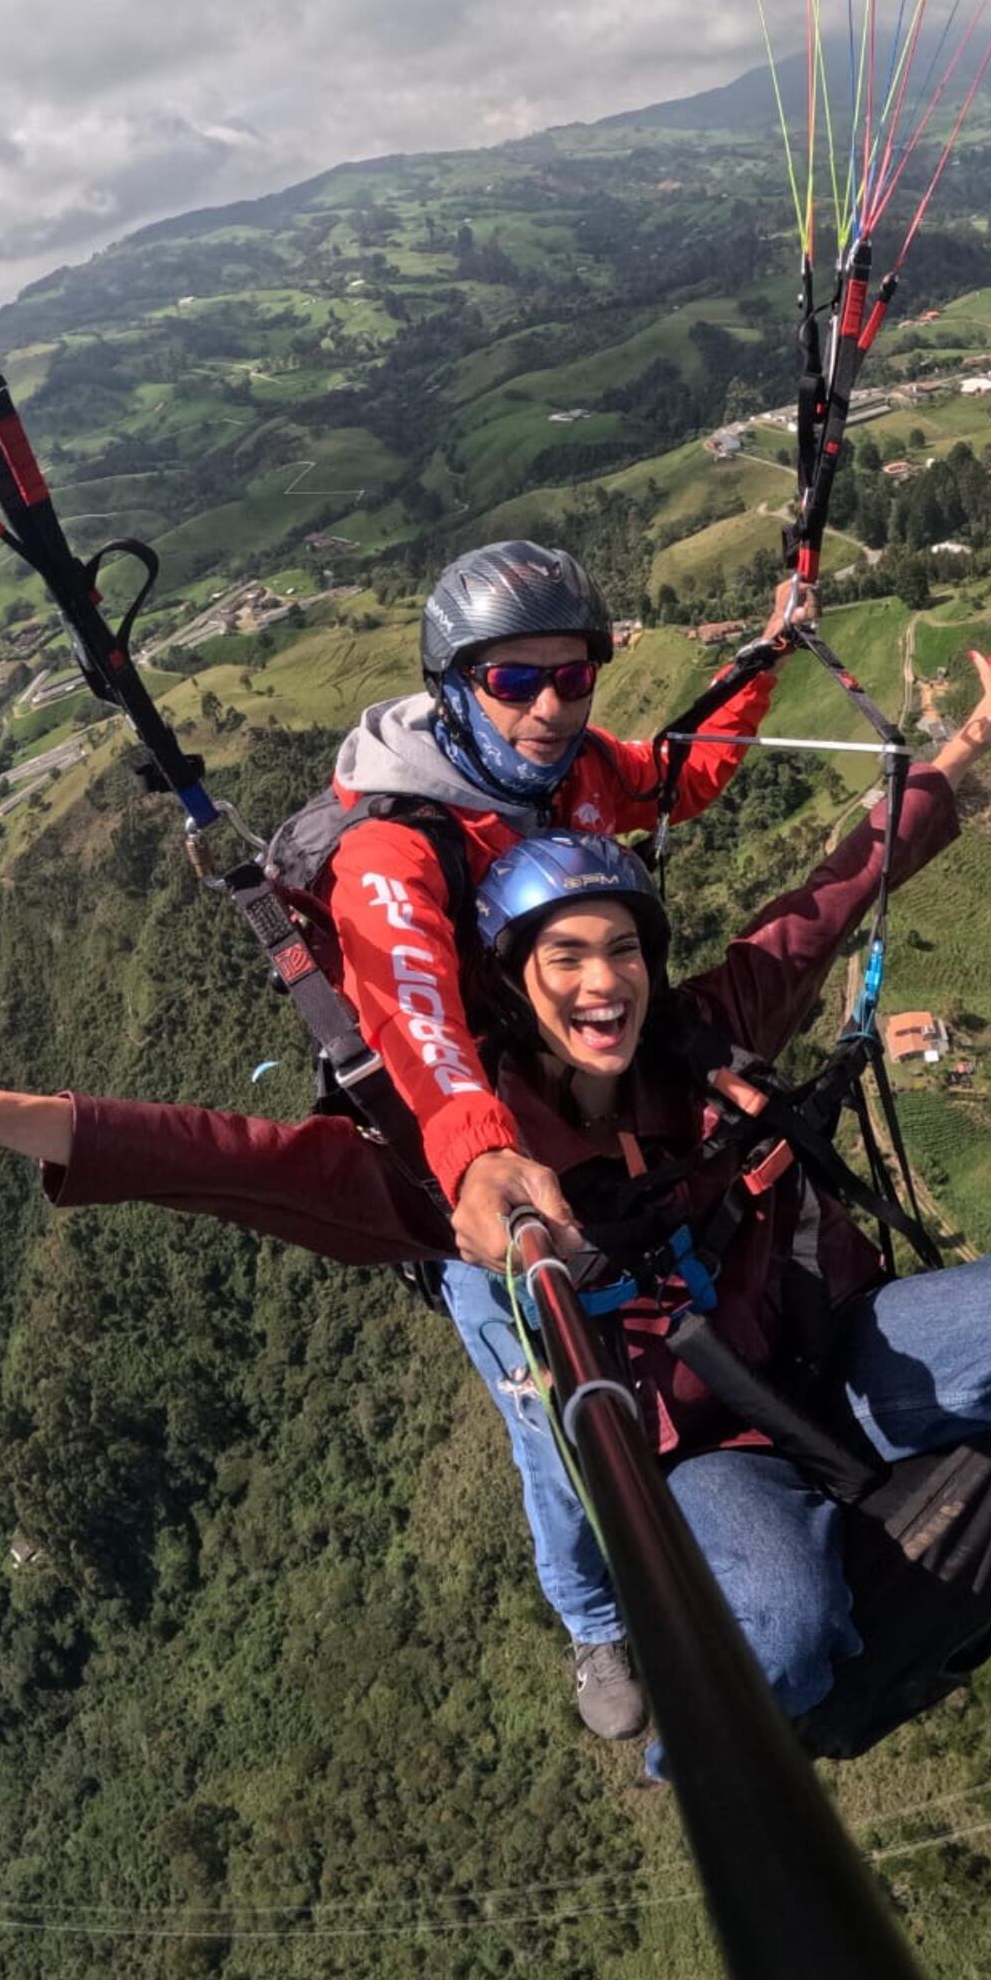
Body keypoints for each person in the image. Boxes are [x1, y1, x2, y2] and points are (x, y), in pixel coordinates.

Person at [0, 647, 991, 1770]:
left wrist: (957, 755)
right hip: (703, 1451)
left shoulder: (703, 1032)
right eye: (563, 958)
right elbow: (241, 1160)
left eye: (622, 949)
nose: (602, 983)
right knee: (780, 1628)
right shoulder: (464, 1168)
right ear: (518, 987)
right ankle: (698, 1764)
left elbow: (824, 903)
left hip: (836, 1349)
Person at [277, 537, 797, 1740]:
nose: (552, 706)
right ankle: (593, 1622)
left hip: (600, 1134)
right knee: (552, 1421)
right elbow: (412, 1010)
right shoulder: (393, 848)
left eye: (575, 675)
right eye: (515, 679)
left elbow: (673, 779)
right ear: (454, 685)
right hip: (484, 1190)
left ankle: (729, 1506)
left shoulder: (566, 775)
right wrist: (476, 1154)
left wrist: (762, 660)